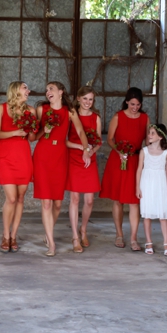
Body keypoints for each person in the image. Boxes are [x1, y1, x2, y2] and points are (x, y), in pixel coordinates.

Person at [33, 81, 90, 257]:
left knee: (57, 203)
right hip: (42, 156)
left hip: (60, 157)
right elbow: (33, 137)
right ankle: (51, 243)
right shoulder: (41, 110)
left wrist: (86, 150)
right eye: (46, 89)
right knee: (47, 202)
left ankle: (48, 231)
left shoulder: (69, 111)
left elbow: (81, 132)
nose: (47, 91)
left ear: (60, 92)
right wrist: (45, 129)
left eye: (51, 88)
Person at [100, 87, 150, 252]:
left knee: (135, 201)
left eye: (138, 104)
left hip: (136, 161)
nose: (135, 107)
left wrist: (161, 151)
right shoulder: (118, 116)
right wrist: (120, 151)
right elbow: (110, 139)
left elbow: (149, 141)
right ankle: (119, 234)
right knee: (118, 200)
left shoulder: (144, 118)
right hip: (119, 160)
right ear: (127, 102)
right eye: (132, 104)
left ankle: (134, 238)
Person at [0, 81, 36, 253]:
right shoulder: (0, 109)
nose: (28, 91)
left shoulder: (30, 111)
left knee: (20, 198)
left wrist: (35, 129)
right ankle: (5, 234)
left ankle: (14, 235)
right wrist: (15, 132)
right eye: (25, 88)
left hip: (23, 156)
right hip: (5, 156)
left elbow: (32, 138)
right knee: (11, 198)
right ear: (16, 90)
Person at [65, 86, 102, 252]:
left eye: (91, 99)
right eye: (85, 98)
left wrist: (91, 151)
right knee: (74, 199)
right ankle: (74, 236)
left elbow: (99, 141)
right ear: (78, 98)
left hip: (89, 159)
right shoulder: (71, 114)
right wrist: (82, 148)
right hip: (74, 157)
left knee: (89, 200)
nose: (88, 102)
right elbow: (65, 140)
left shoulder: (96, 118)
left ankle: (83, 229)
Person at [136, 124, 167, 256]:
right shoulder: (144, 151)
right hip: (146, 184)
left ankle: (166, 243)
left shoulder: (166, 153)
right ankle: (148, 242)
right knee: (147, 215)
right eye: (149, 133)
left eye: (152, 133)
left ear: (160, 136)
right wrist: (137, 188)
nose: (149, 135)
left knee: (163, 214)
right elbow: (139, 170)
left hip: (160, 184)